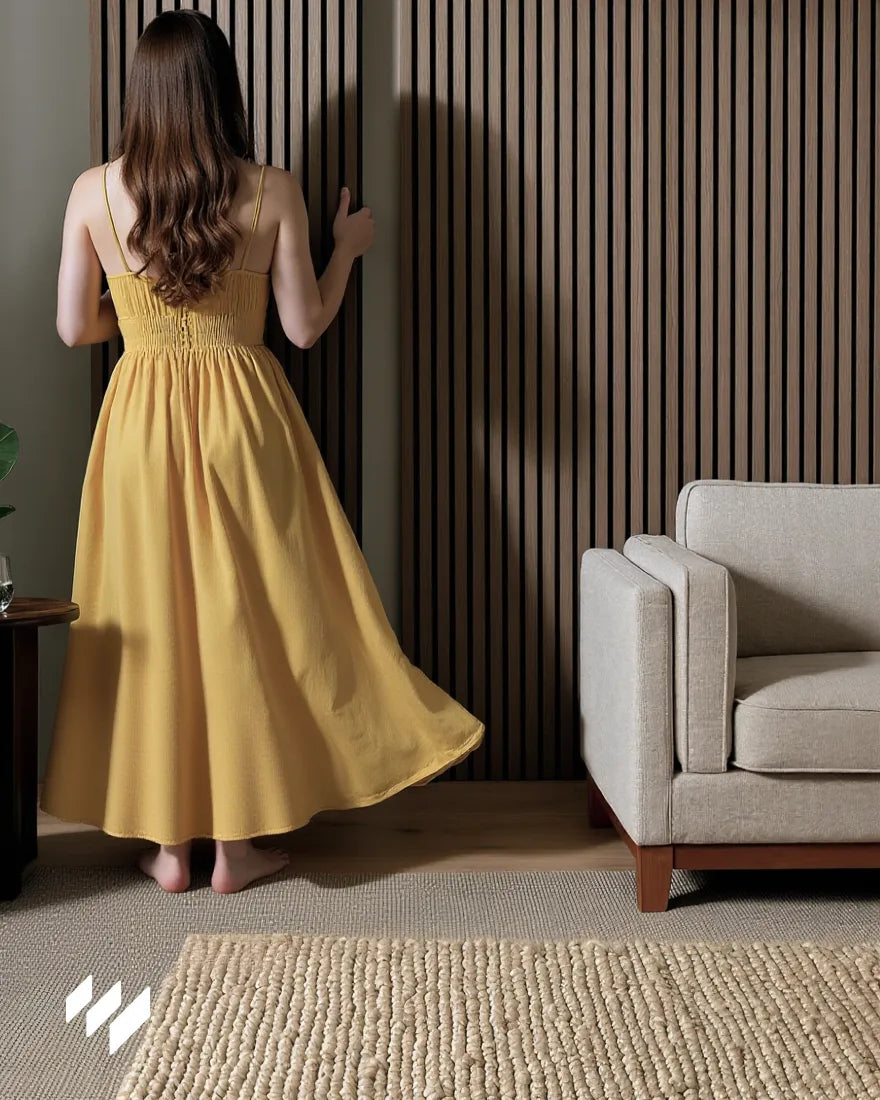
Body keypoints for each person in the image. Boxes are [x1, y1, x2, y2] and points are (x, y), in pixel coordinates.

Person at [43, 9, 485, 895]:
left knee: (154, 623)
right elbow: (304, 327)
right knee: (247, 617)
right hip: (245, 416)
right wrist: (346, 251)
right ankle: (237, 847)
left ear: (143, 93)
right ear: (222, 89)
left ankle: (171, 849)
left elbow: (71, 327)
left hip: (138, 422)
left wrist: (144, 317)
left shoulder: (93, 192)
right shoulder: (271, 189)